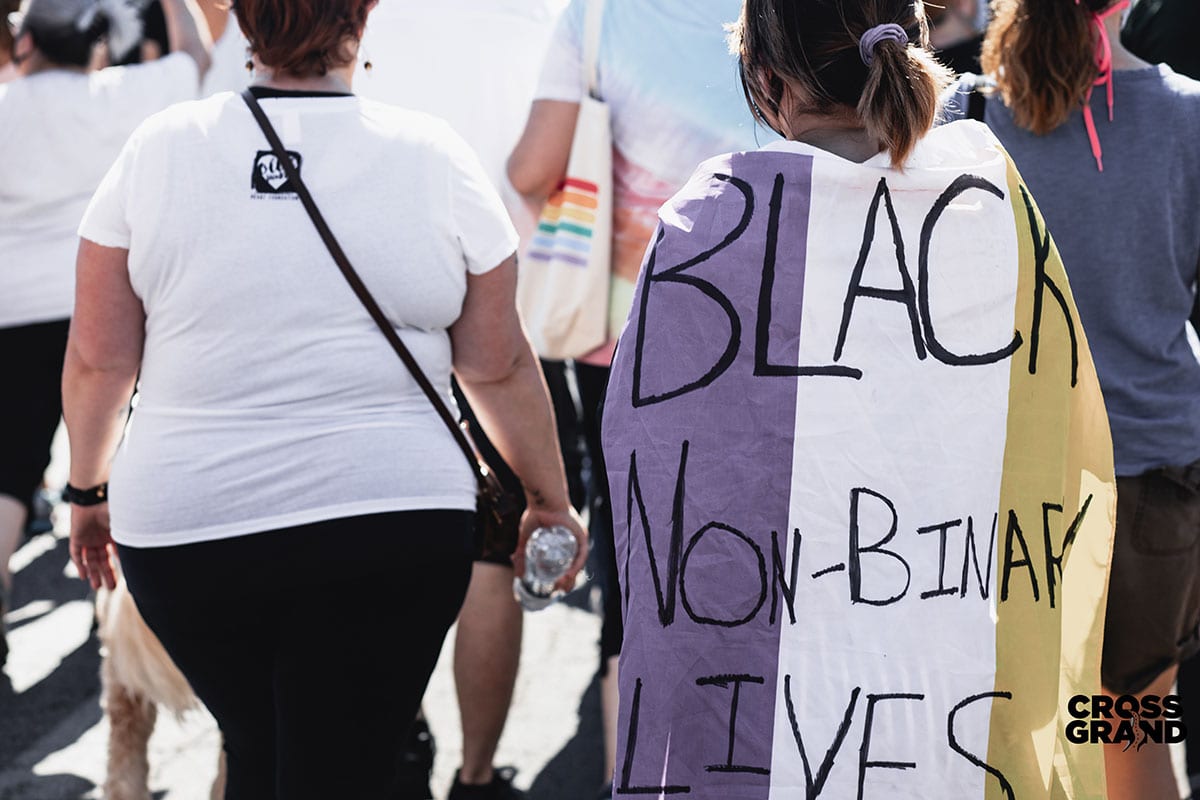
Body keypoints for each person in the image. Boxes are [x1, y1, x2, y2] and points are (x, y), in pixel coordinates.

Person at [62, 1, 587, 797]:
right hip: (392, 526)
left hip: (190, 529)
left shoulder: (158, 149)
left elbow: (101, 362)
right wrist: (549, 499)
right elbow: (498, 365)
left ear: (239, 17)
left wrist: (87, 490)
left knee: (260, 744)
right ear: (365, 15)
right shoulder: (432, 153)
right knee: (338, 759)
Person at [600, 0, 1116, 798]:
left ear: (766, 82)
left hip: (769, 663)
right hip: (941, 664)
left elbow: (658, 453)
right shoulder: (992, 208)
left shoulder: (709, 223)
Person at [507, 4, 769, 795]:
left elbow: (530, 170)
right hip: (753, 331)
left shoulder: (597, 16)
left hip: (622, 330)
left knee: (632, 545)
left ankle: (635, 760)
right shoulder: (775, 16)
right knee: (737, 542)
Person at [942, 1, 1200, 796]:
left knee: (1014, 742)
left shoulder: (969, 115)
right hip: (1154, 473)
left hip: (1011, 480)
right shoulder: (1189, 117)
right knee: (1133, 733)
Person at [353, 5, 567, 797]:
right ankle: (477, 775)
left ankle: (398, 734)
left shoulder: (367, 13)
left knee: (383, 532)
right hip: (515, 298)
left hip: (377, 293)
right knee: (493, 540)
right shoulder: (554, 11)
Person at [0, 0, 209, 669]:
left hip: (13, 309)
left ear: (25, 39)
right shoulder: (123, 95)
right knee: (117, 462)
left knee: (8, 468)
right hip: (109, 301)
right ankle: (116, 608)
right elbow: (196, 61)